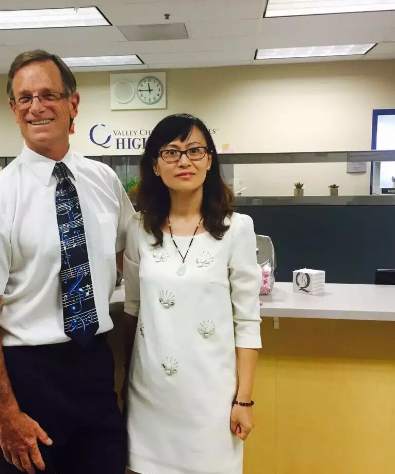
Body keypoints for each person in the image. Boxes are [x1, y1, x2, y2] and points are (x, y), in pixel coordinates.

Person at [0, 49, 134, 474]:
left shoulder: (104, 180)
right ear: (13, 110)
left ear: (73, 103)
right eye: (24, 98)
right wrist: (5, 413)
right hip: (24, 376)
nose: (36, 107)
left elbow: (127, 255)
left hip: (92, 365)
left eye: (48, 95)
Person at [123, 113, 262, 474]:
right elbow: (134, 309)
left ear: (209, 160)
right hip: (150, 397)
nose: (184, 161)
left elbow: (247, 321)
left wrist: (244, 400)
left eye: (195, 150)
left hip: (211, 400)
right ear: (155, 166)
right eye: (171, 152)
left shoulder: (236, 229)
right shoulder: (139, 228)